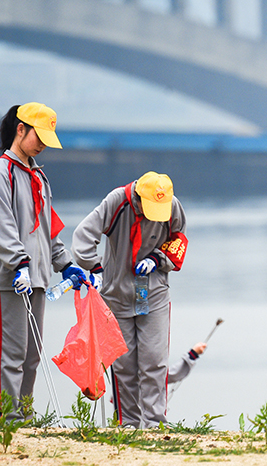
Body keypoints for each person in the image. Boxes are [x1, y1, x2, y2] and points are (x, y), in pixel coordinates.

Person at [0, 102, 85, 419]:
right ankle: (8, 420)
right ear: (20, 129)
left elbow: (47, 229)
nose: (41, 145)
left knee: (31, 356)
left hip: (38, 279)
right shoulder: (2, 173)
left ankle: (25, 417)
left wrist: (65, 264)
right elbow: (1, 228)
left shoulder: (37, 175)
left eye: (46, 140)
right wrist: (20, 265)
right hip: (11, 278)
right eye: (37, 137)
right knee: (10, 354)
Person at [71, 171, 188, 428]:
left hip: (153, 291)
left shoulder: (172, 205)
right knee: (124, 363)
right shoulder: (117, 202)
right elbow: (83, 235)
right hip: (117, 294)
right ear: (138, 197)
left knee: (154, 359)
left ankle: (156, 421)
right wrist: (95, 268)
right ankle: (129, 422)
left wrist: (158, 259)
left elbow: (178, 238)